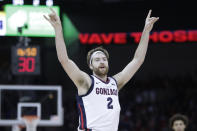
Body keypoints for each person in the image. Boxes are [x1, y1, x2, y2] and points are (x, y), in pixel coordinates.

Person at [44, 8, 159, 131]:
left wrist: (146, 31)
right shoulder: (86, 82)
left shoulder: (115, 83)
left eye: (104, 59)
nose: (102, 61)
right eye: (97, 60)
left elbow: (137, 60)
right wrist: (58, 29)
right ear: (90, 65)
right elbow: (64, 60)